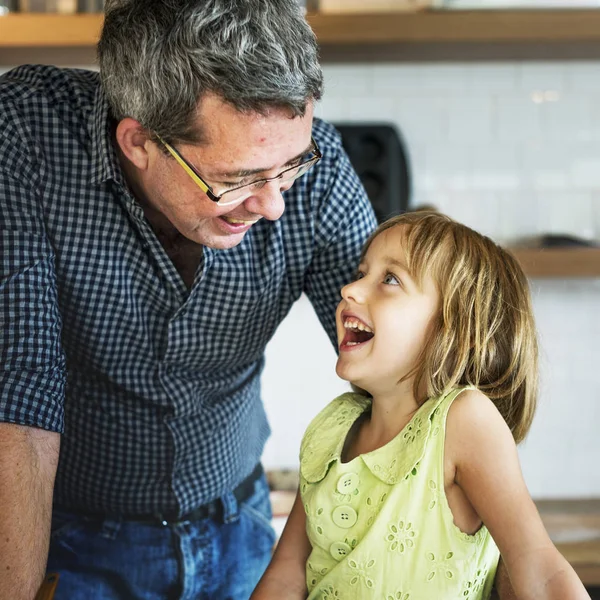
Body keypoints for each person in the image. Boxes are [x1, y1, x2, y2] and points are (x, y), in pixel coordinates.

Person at [0, 1, 379, 598]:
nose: (274, 203)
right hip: (67, 535)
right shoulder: (26, 133)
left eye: (291, 165)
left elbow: (401, 366)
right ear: (139, 142)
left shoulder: (317, 170)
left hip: (242, 520)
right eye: (237, 179)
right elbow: (20, 382)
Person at [251, 211, 590, 600]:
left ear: (456, 329)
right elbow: (287, 573)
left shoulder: (464, 421)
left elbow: (540, 570)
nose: (351, 289)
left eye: (390, 279)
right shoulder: (331, 428)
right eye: (362, 273)